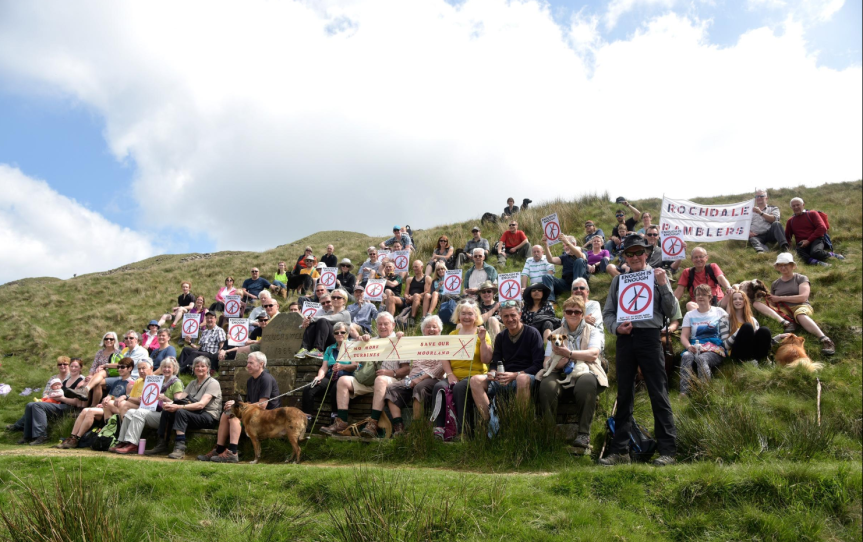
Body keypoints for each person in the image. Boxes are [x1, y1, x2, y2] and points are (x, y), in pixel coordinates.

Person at [600, 234, 677, 467]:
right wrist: (616, 328)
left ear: (647, 253)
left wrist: (663, 285)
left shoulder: (659, 276)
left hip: (650, 337)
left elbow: (673, 310)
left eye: (638, 252)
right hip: (625, 339)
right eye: (629, 254)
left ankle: (668, 451)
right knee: (624, 394)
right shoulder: (618, 281)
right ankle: (620, 450)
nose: (634, 257)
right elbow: (608, 314)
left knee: (658, 391)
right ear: (624, 256)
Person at [537, 295, 606, 452]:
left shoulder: (593, 331)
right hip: (559, 370)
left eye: (577, 311)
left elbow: (593, 355)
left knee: (586, 384)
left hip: (586, 368)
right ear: (564, 313)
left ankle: (583, 434)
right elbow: (546, 360)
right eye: (569, 311)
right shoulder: (555, 333)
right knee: (547, 386)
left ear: (582, 313)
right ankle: (549, 432)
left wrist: (569, 354)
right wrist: (555, 365)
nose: (573, 314)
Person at [320, 312, 407, 435]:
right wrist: (360, 342)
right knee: (343, 380)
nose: (382, 327)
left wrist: (391, 373)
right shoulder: (370, 341)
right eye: (380, 324)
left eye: (386, 324)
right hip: (369, 380)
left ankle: (373, 423)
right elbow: (356, 361)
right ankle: (341, 422)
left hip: (391, 380)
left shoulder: (399, 340)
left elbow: (406, 369)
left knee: (381, 379)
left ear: (393, 325)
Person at [198, 352, 280, 463]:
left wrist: (238, 406)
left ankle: (232, 452)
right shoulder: (250, 381)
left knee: (233, 417)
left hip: (266, 417)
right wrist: (235, 404)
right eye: (247, 363)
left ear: (261, 364)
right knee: (226, 413)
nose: (248, 365)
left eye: (251, 363)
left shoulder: (266, 379)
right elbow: (250, 402)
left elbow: (263, 405)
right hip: (254, 414)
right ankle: (219, 449)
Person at [470, 301, 543, 424]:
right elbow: (495, 361)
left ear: (519, 314)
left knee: (522, 379)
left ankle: (519, 423)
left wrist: (515, 375)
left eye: (513, 315)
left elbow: (538, 364)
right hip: (505, 377)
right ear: (501, 317)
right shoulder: (501, 337)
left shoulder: (532, 333)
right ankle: (489, 422)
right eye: (506, 316)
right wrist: (492, 372)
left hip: (526, 376)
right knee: (475, 380)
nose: (510, 319)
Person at [431, 301, 493, 437]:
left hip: (474, 375)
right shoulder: (453, 334)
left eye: (470, 314)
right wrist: (450, 374)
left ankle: (464, 429)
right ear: (458, 316)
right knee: (439, 387)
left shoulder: (482, 333)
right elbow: (444, 356)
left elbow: (486, 360)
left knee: (459, 388)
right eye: (463, 313)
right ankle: (440, 428)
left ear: (476, 316)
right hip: (454, 375)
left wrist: (482, 341)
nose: (466, 317)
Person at [146, 356, 222, 459]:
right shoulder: (192, 383)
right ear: (193, 368)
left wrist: (178, 407)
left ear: (208, 368)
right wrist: (169, 404)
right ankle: (161, 445)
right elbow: (179, 399)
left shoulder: (213, 383)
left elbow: (201, 404)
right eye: (197, 366)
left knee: (181, 412)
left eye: (203, 366)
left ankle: (179, 448)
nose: (199, 368)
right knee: (166, 412)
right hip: (195, 413)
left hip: (208, 416)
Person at [384, 316, 447, 436]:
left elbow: (440, 368)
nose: (431, 329)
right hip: (412, 378)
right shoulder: (418, 343)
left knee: (420, 387)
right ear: (423, 330)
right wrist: (400, 337)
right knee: (392, 389)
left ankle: (416, 427)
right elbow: (402, 346)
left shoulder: (443, 344)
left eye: (434, 327)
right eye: (428, 327)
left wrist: (421, 378)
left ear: (440, 330)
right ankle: (399, 426)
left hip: (432, 378)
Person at [765, 253, 835, 355]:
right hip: (783, 310)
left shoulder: (801, 278)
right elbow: (773, 303)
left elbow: (803, 297)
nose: (783, 267)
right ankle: (787, 323)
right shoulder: (775, 283)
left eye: (786, 264)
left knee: (800, 314)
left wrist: (779, 298)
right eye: (780, 265)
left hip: (801, 306)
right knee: (757, 304)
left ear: (793, 266)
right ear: (777, 267)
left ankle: (825, 340)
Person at [57, 358, 135, 449]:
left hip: (117, 410)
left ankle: (77, 439)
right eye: (118, 367)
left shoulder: (131, 383)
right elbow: (111, 395)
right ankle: (72, 437)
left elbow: (127, 400)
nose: (120, 369)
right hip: (107, 407)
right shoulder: (117, 381)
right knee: (85, 410)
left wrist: (110, 401)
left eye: (123, 367)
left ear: (130, 368)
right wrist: (105, 400)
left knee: (90, 411)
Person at [111, 357, 184, 454]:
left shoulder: (176, 383)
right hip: (154, 411)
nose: (166, 369)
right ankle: (123, 441)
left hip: (166, 416)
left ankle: (133, 444)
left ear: (174, 369)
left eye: (169, 367)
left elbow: (178, 404)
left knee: (139, 412)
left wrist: (165, 399)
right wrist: (144, 399)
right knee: (130, 412)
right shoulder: (159, 381)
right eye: (164, 367)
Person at [9, 357, 85, 445]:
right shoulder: (65, 381)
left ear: (80, 368)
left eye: (76, 367)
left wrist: (61, 399)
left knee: (37, 406)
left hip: (70, 407)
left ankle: (42, 436)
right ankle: (28, 436)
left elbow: (77, 403)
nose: (73, 369)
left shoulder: (81, 382)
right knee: (30, 405)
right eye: (72, 366)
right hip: (58, 404)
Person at [679, 284, 730, 396]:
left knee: (702, 359)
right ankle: (684, 392)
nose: (700, 297)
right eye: (698, 295)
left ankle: (705, 391)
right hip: (694, 346)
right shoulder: (689, 315)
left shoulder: (719, 311)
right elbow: (684, 336)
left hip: (715, 348)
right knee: (686, 356)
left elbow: (729, 328)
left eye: (703, 294)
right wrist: (688, 347)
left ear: (710, 297)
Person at [71, 330, 149, 402]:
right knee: (97, 382)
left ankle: (87, 395)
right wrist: (91, 374)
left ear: (136, 339)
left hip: (132, 378)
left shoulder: (141, 351)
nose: (128, 339)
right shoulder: (125, 352)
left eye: (131, 338)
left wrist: (105, 365)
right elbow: (94, 365)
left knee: (99, 380)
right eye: (126, 338)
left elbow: (124, 364)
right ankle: (89, 400)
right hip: (121, 376)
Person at [301, 322, 357, 418]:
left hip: (345, 376)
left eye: (342, 332)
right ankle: (306, 419)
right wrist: (319, 377)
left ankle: (335, 418)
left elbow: (355, 365)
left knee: (336, 389)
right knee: (309, 389)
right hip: (330, 376)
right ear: (333, 335)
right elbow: (324, 367)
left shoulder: (353, 347)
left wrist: (343, 367)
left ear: (347, 334)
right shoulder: (329, 349)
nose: (339, 334)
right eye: (336, 333)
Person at [785, 197, 844, 266]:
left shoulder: (812, 214)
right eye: (793, 206)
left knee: (815, 252)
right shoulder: (790, 221)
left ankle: (833, 255)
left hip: (816, 239)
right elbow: (787, 236)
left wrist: (808, 240)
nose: (796, 207)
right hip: (802, 244)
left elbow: (822, 228)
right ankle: (818, 263)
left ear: (803, 205)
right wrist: (790, 247)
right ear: (791, 207)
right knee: (798, 254)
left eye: (798, 205)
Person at [674, 247, 733, 312]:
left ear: (706, 258)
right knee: (690, 305)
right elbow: (679, 290)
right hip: (699, 306)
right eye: (695, 257)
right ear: (692, 259)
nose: (698, 259)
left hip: (718, 303)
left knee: (733, 291)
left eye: (701, 256)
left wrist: (728, 287)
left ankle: (728, 320)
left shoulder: (713, 267)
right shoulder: (687, 272)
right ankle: (702, 321)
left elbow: (721, 278)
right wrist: (671, 303)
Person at [296, 290, 351, 359]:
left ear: (344, 301)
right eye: (333, 297)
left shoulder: (345, 313)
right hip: (328, 340)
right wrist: (308, 322)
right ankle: (304, 348)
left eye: (338, 297)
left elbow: (331, 318)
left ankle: (318, 349)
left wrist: (311, 319)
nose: (335, 299)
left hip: (339, 341)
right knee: (314, 324)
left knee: (322, 321)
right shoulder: (329, 313)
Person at [726, 288, 772, 363]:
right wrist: (739, 331)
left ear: (745, 302)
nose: (737, 300)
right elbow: (725, 346)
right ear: (731, 302)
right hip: (736, 353)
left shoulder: (753, 320)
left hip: (752, 351)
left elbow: (760, 340)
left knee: (764, 330)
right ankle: (746, 361)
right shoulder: (725, 320)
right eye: (734, 299)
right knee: (747, 327)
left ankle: (762, 361)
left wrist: (779, 337)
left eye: (741, 299)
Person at [542, 235, 589, 301]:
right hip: (566, 283)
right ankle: (550, 301)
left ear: (573, 244)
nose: (564, 248)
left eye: (565, 245)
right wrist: (546, 245)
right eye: (563, 245)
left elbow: (580, 256)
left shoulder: (583, 253)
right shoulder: (565, 257)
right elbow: (550, 260)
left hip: (579, 284)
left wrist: (566, 241)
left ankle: (575, 294)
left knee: (579, 260)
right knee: (546, 277)